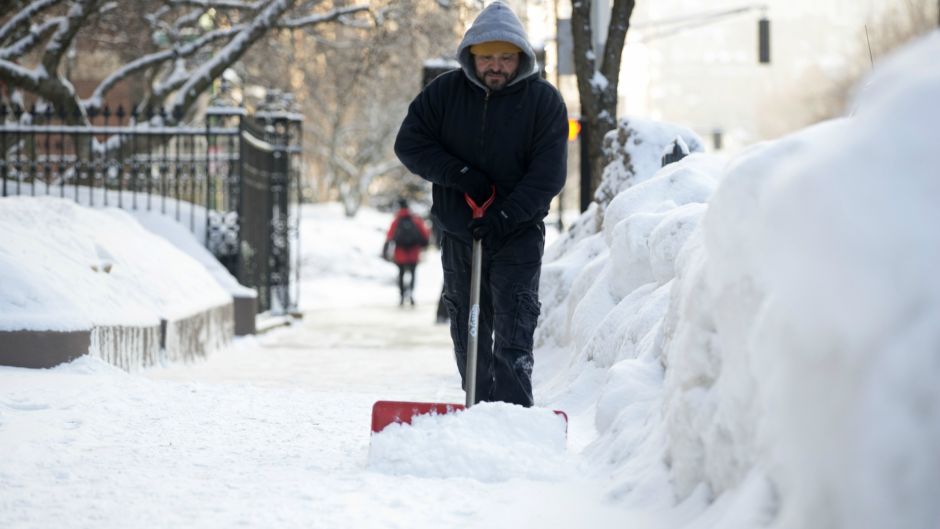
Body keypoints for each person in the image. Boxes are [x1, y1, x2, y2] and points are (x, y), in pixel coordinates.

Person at [393, 1, 568, 407]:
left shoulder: (544, 103)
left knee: (514, 325)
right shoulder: (444, 94)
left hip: (518, 235)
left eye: (506, 58)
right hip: (460, 230)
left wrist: (504, 216)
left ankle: (511, 414)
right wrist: (459, 174)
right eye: (487, 57)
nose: (496, 66)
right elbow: (410, 144)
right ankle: (477, 406)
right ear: (471, 55)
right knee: (468, 325)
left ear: (520, 57)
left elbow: (547, 176)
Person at [384, 198, 430, 306]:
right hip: (414, 252)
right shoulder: (416, 219)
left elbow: (389, 235)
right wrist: (423, 246)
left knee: (401, 274)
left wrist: (386, 249)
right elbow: (425, 234)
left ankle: (401, 296)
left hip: (400, 253)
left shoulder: (396, 220)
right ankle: (411, 294)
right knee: (413, 273)